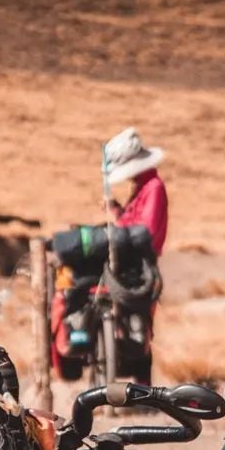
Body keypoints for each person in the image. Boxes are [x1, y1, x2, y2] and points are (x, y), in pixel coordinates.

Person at [50, 128, 167, 382]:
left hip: (139, 263)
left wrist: (117, 221)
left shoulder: (153, 188)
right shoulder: (143, 188)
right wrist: (117, 213)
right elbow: (132, 227)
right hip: (131, 257)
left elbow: (144, 232)